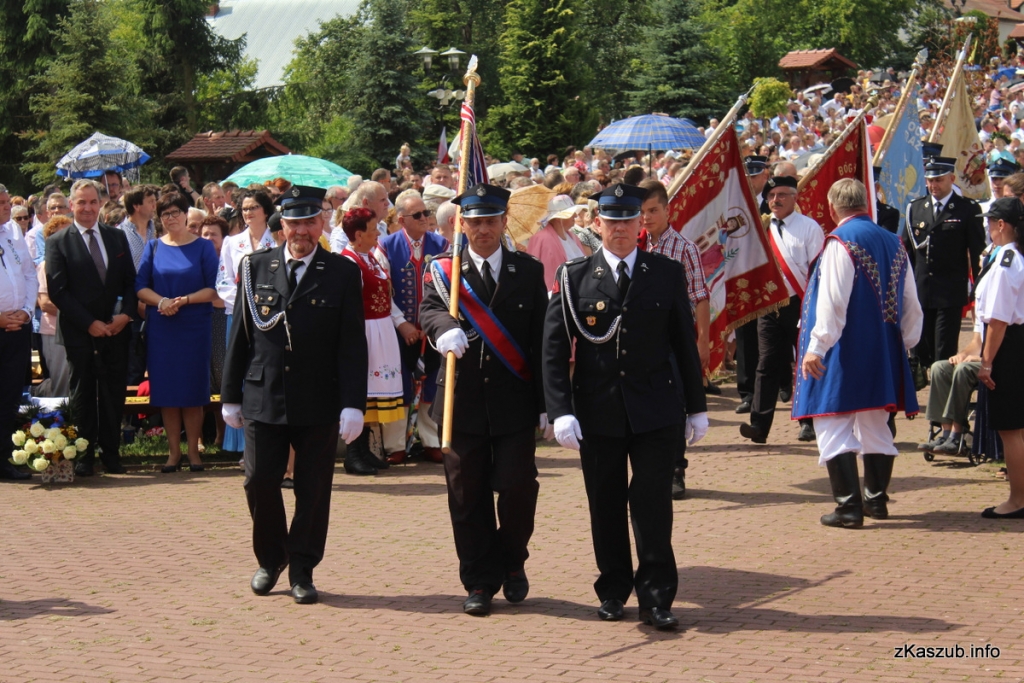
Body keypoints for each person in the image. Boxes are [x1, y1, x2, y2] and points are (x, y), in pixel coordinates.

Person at [543, 183, 708, 630]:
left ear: (641, 225)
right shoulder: (574, 276)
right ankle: (614, 589)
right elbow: (553, 349)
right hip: (598, 410)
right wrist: (560, 409)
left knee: (653, 505)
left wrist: (696, 406)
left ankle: (656, 597)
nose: (620, 228)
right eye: (611, 221)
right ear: (597, 224)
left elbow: (683, 343)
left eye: (628, 220)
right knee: (606, 503)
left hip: (656, 408)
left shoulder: (666, 272)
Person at [221, 185, 368, 604]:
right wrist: (230, 394)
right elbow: (240, 336)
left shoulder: (341, 272)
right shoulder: (255, 266)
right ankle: (271, 559)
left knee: (313, 487)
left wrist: (353, 403)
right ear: (280, 225)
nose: (301, 231)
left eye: (309, 222)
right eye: (293, 223)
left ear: (321, 224)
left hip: (319, 396)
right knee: (258, 482)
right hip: (263, 393)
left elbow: (352, 344)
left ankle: (302, 568)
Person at [420, 183, 549, 616]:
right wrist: (444, 328)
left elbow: (540, 339)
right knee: (466, 496)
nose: (483, 230)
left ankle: (512, 561)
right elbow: (428, 309)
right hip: (462, 401)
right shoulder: (444, 269)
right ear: (463, 225)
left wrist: (548, 403)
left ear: (503, 221)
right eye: (474, 222)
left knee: (517, 489)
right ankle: (478, 579)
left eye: (490, 221)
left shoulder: (526, 271)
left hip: (514, 401)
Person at [793, 179, 922, 528]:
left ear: (832, 207)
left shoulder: (841, 242)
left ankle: (849, 507)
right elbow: (911, 302)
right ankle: (876, 501)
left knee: (831, 420)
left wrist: (816, 346)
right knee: (876, 423)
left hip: (843, 348)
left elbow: (833, 300)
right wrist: (907, 343)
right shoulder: (894, 241)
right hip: (884, 348)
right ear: (866, 202)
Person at [44, 179, 136, 476]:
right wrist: (89, 323)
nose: (87, 208)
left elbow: (130, 282)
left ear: (101, 204)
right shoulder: (58, 241)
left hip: (115, 330)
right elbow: (58, 291)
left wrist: (126, 315)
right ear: (71, 205)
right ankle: (83, 455)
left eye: (93, 202)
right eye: (81, 202)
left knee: (113, 393)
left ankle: (111, 454)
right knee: (83, 393)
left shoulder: (116, 237)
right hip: (79, 333)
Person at [135, 193, 218, 472]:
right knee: (167, 392)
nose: (170, 218)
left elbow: (213, 288)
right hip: (162, 327)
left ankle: (193, 452)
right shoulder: (153, 247)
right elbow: (140, 286)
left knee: (193, 391)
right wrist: (162, 302)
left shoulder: (204, 247)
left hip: (194, 326)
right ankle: (173, 453)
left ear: (185, 214)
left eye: (175, 212)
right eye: (165, 214)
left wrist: (184, 300)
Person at [638, 179, 711, 499]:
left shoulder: (684, 248)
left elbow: (700, 296)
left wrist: (703, 341)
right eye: (642, 212)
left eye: (653, 210)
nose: (646, 218)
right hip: (641, 338)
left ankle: (676, 469)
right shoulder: (635, 246)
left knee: (675, 402)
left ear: (668, 210)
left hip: (674, 338)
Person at [740, 176, 823, 445]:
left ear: (795, 197)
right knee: (766, 364)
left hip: (801, 304)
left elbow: (817, 271)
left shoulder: (809, 228)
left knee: (805, 363)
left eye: (782, 195)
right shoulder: (761, 226)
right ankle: (759, 426)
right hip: (769, 306)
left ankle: (808, 421)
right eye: (771, 195)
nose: (775, 200)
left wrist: (814, 307)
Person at [376, 192, 449, 464]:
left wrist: (434, 322)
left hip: (433, 329)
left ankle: (431, 441)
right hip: (397, 329)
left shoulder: (441, 244)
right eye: (417, 215)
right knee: (399, 384)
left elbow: (448, 286)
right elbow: (383, 291)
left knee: (432, 383)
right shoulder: (386, 246)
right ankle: (395, 445)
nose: (424, 218)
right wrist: (403, 324)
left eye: (426, 213)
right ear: (401, 219)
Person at [337, 207, 407, 475]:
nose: (378, 233)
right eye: (373, 229)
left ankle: (364, 449)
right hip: (364, 329)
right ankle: (353, 453)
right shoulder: (348, 262)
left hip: (380, 328)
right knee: (361, 387)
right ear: (358, 235)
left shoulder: (370, 257)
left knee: (373, 390)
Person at [904, 156, 985, 370]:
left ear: (952, 178)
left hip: (950, 292)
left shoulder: (967, 209)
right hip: (921, 290)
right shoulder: (916, 208)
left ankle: (942, 389)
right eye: (930, 180)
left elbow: (977, 251)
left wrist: (978, 289)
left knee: (944, 352)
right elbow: (908, 252)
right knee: (920, 352)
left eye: (939, 180)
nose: (934, 185)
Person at [973, 197, 1024, 518]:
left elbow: (999, 320)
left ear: (1001, 224)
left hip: (1009, 345)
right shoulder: (1014, 256)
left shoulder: (1007, 260)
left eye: (990, 222)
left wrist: (987, 361)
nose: (988, 227)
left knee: (1011, 429)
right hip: (1015, 341)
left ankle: (1018, 500)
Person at [217, 189, 276, 456]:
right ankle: (242, 446)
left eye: (254, 208)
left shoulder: (277, 241)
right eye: (245, 209)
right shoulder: (232, 243)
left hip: (269, 318)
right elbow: (223, 282)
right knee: (240, 374)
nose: (248, 213)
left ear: (266, 210)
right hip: (239, 318)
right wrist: (246, 304)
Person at [0, 183, 36, 480]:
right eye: (1, 203)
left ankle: (4, 458)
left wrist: (26, 311)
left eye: (6, 202)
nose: (6, 207)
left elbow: (28, 274)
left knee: (10, 395)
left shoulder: (13, 231)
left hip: (17, 328)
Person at [917, 326, 982, 456]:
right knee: (939, 367)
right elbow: (977, 342)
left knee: (962, 370)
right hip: (981, 361)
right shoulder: (982, 312)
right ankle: (946, 434)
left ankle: (956, 434)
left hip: (997, 363)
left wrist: (983, 359)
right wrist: (962, 354)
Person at [34, 215, 74, 398]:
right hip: (53, 331)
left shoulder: (80, 263)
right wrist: (79, 314)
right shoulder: (45, 266)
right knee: (61, 384)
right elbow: (45, 304)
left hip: (79, 330)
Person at [200, 214, 230, 449]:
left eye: (214, 234)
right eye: (205, 234)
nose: (209, 238)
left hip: (222, 320)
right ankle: (199, 438)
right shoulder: (196, 259)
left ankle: (222, 436)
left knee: (221, 376)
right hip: (198, 321)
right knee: (201, 377)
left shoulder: (228, 260)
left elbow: (223, 299)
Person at [526, 195, 588, 291]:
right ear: (559, 218)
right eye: (571, 213)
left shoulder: (573, 236)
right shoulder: (540, 239)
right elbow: (536, 274)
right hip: (555, 295)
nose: (575, 216)